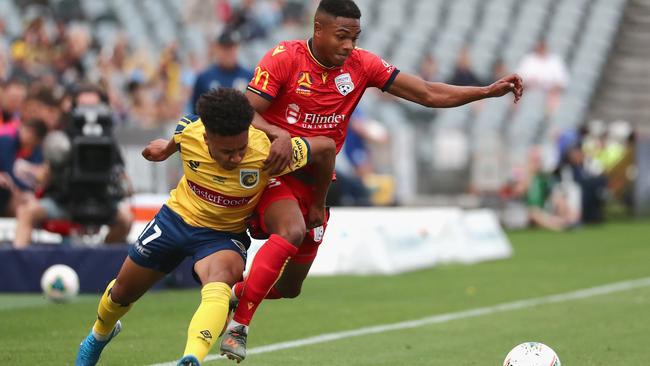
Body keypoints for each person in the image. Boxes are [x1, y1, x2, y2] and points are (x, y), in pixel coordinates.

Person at [219, 0, 524, 361]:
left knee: (290, 287)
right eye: (342, 36)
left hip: (318, 182)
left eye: (354, 37)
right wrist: (276, 134)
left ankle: (234, 294)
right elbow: (242, 111)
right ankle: (239, 327)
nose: (349, 45)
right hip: (276, 172)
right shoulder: (284, 58)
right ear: (318, 29)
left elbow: (426, 93)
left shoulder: (362, 65)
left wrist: (486, 92)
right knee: (292, 230)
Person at [74, 88, 335, 366]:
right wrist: (164, 149)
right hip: (174, 220)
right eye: (227, 151)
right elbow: (176, 139)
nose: (236, 158)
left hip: (222, 236)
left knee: (221, 281)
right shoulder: (190, 130)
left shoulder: (267, 151)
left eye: (241, 149)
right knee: (121, 294)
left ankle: (191, 358)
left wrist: (319, 203)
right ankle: (99, 335)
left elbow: (327, 148)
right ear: (207, 136)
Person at [13, 84, 133, 248]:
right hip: (65, 200)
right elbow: (43, 178)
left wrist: (122, 186)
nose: (89, 112)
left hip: (101, 201)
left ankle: (103, 262)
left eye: (94, 106)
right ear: (73, 108)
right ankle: (17, 269)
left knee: (125, 219)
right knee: (27, 212)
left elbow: (123, 178)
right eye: (83, 107)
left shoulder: (109, 140)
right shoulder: (62, 137)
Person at [189, 30, 253, 113]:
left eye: (231, 48)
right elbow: (195, 111)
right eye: (224, 48)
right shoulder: (204, 78)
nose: (228, 52)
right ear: (217, 49)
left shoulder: (249, 76)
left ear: (236, 48)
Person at [0, 118, 48, 217]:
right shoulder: (7, 139)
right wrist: (25, 190)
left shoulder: (34, 149)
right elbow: (8, 171)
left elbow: (39, 168)